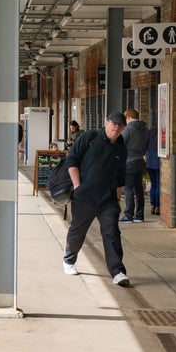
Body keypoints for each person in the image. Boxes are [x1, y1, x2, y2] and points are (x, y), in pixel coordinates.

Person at [62, 112, 130, 286]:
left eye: (120, 126)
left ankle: (118, 272)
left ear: (123, 128)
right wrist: (78, 187)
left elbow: (121, 175)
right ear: (106, 123)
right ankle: (69, 260)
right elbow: (72, 160)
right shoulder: (89, 137)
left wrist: (118, 197)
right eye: (113, 124)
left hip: (108, 199)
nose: (116, 128)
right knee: (78, 230)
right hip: (85, 195)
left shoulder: (121, 148)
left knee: (112, 232)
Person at [120, 108, 151, 222]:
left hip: (128, 161)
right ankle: (139, 215)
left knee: (128, 189)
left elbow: (120, 143)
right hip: (140, 162)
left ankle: (128, 215)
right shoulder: (146, 130)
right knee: (138, 189)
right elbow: (147, 145)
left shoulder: (128, 129)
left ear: (128, 117)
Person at [145, 127, 161, 216]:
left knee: (153, 185)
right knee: (159, 185)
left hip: (149, 162)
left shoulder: (149, 133)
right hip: (159, 163)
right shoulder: (162, 132)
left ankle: (152, 206)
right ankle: (158, 206)